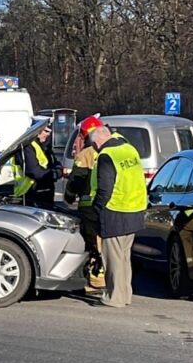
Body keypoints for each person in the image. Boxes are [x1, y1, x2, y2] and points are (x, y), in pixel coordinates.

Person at [89, 124, 147, 308]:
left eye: (94, 145)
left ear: (99, 140)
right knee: (123, 257)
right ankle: (125, 295)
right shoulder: (129, 149)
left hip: (115, 211)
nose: (95, 149)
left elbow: (105, 188)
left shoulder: (107, 156)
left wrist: (97, 208)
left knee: (112, 259)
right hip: (135, 209)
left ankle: (114, 298)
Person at [63, 115, 105, 296]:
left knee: (93, 244)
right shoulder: (111, 150)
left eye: (80, 136)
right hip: (112, 207)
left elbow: (76, 181)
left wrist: (69, 198)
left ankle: (96, 282)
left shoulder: (85, 155)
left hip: (90, 208)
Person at [13, 124, 59, 209]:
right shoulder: (27, 146)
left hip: (43, 191)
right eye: (46, 131)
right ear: (37, 131)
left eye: (49, 132)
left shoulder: (43, 146)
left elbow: (53, 162)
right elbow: (33, 171)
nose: (48, 134)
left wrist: (59, 168)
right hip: (30, 192)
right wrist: (55, 173)